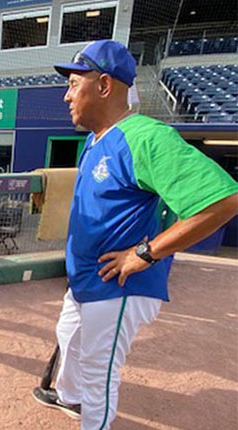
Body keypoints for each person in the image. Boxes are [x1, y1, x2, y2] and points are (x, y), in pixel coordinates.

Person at [31, 40, 238, 429]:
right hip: (87, 280)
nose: (66, 95)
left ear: (104, 86)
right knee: (69, 337)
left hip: (119, 284)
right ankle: (69, 397)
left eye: (75, 84)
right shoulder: (95, 139)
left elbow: (223, 201)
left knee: (99, 369)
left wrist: (144, 253)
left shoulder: (145, 135)